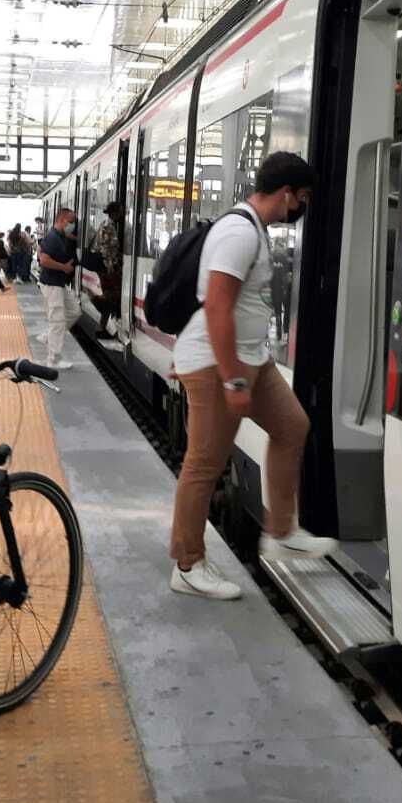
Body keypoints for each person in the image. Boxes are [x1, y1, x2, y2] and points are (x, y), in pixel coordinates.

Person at [168, 151, 336, 599]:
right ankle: (187, 565)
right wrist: (232, 379)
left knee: (292, 426)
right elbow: (218, 306)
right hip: (217, 364)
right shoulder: (239, 233)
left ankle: (280, 532)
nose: (299, 210)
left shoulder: (254, 232)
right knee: (204, 463)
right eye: (301, 200)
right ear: (286, 195)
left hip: (251, 358)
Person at [38, 207, 80, 369]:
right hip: (51, 284)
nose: (73, 226)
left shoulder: (60, 235)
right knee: (57, 321)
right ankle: (53, 359)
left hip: (58, 284)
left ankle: (48, 336)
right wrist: (63, 267)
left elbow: (68, 235)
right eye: (71, 222)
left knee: (75, 311)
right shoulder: (52, 237)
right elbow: (44, 260)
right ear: (62, 221)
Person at [96, 201, 123, 335]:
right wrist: (111, 268)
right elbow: (106, 249)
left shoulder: (106, 224)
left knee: (109, 297)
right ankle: (102, 327)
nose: (122, 214)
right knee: (110, 297)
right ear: (114, 213)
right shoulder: (108, 226)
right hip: (108, 269)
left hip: (107, 267)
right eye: (120, 211)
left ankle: (104, 327)